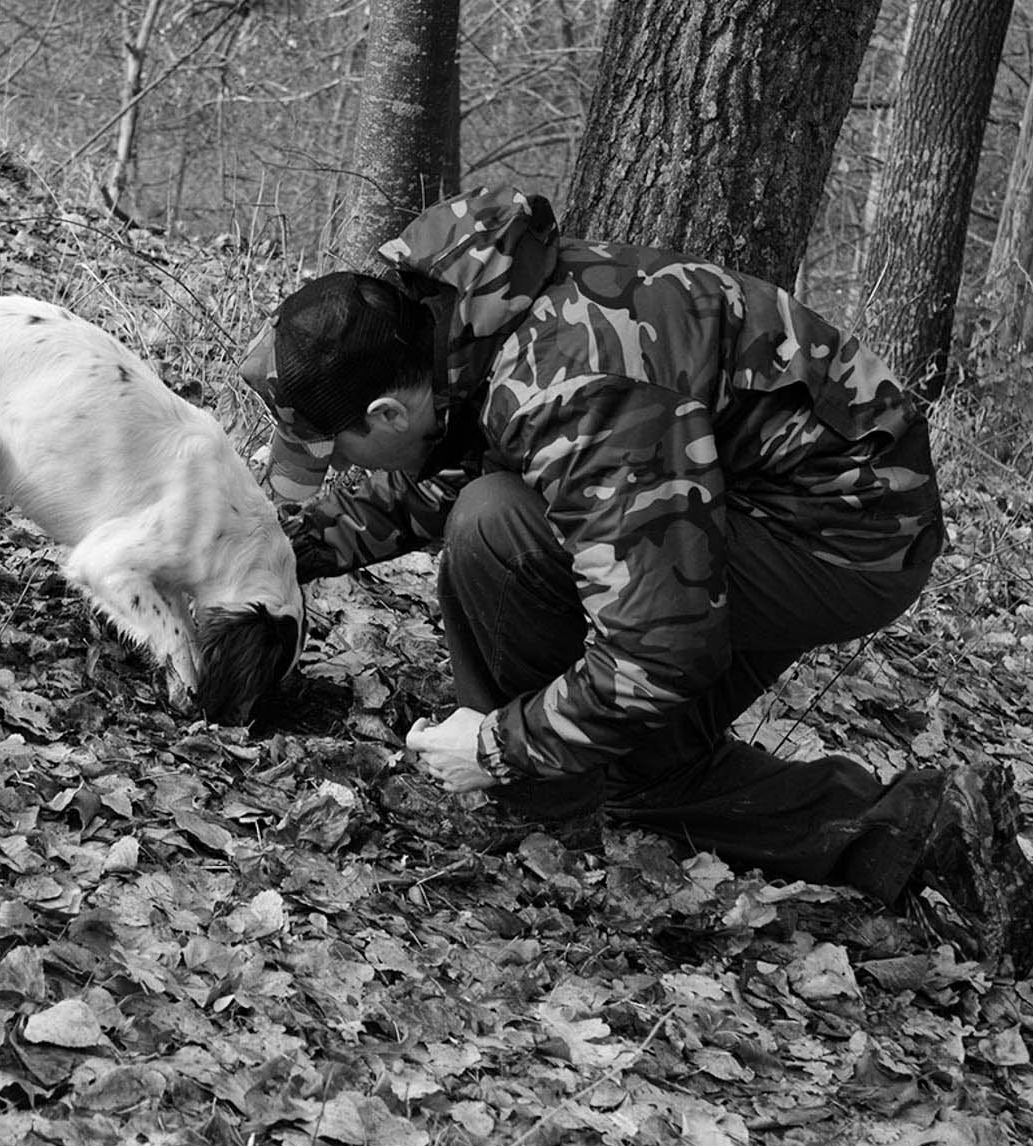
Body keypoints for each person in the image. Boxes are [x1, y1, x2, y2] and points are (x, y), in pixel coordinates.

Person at [240, 185, 1033, 973]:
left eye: (337, 450)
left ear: (383, 413)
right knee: (648, 774)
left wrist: (497, 748)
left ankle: (536, 808)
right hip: (756, 497)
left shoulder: (578, 390)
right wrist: (264, 552)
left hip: (841, 536)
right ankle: (914, 829)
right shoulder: (447, 315)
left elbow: (659, 649)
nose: (338, 467)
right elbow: (443, 458)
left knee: (493, 523)